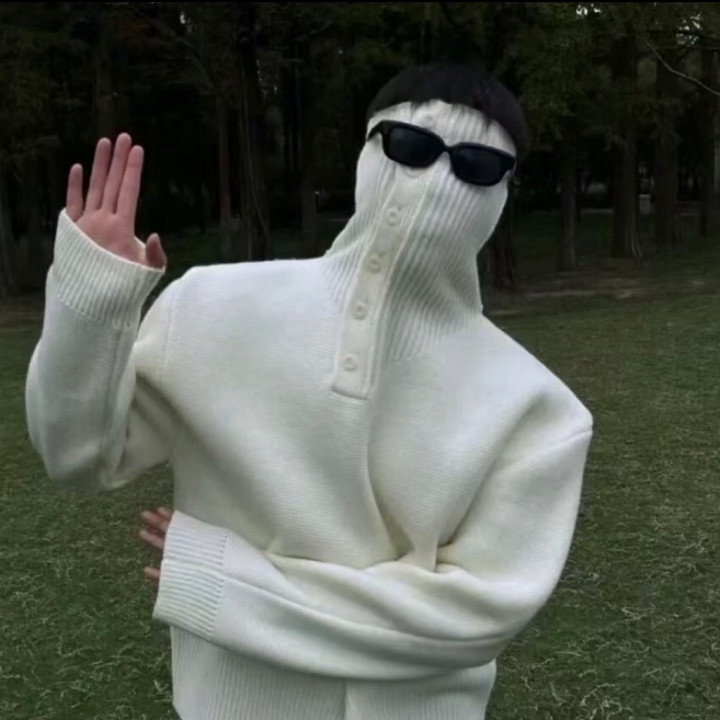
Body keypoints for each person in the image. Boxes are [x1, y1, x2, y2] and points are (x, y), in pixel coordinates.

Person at [26, 63, 593, 720]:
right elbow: (77, 456)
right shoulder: (210, 307)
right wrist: (92, 303)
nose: (438, 178)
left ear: (505, 190)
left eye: (476, 165)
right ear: (366, 151)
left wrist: (232, 585)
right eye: (410, 146)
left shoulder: (540, 410)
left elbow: (474, 621)